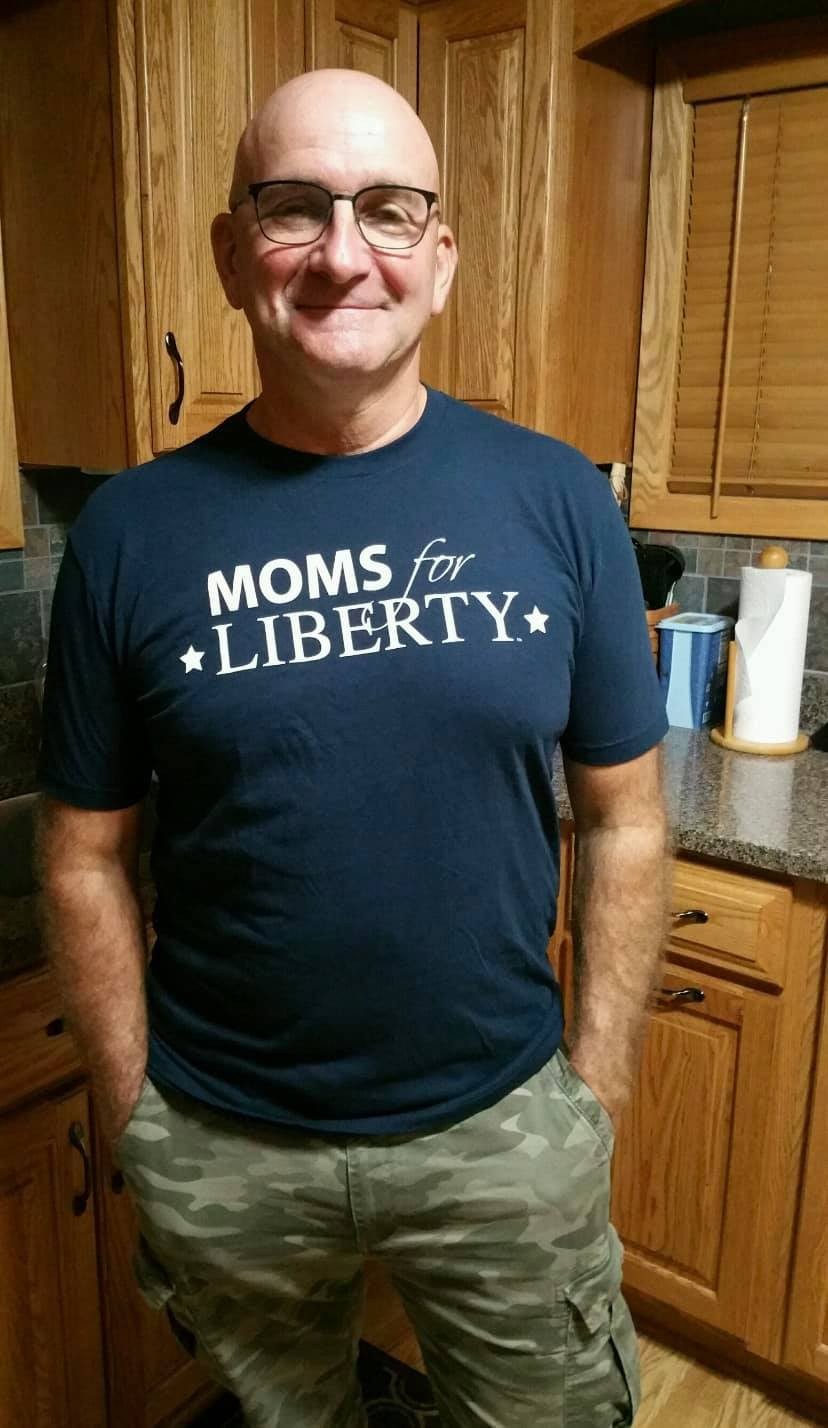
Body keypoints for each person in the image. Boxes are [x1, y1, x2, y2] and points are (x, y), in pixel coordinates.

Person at [35, 68, 669, 1428]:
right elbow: (83, 854)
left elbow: (626, 821)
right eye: (294, 209)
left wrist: (598, 1089)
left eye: (388, 211)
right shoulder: (129, 536)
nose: (342, 254)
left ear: (440, 259)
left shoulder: (558, 499)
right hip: (225, 1138)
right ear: (231, 255)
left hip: (504, 1128)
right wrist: (135, 1105)